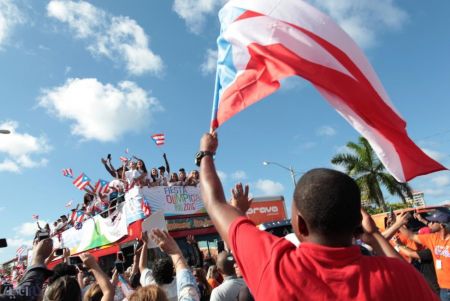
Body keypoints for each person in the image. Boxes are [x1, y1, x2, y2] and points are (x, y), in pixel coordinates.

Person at [197, 132, 439, 301]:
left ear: (300, 224)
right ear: (357, 223)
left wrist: (206, 153)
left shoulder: (276, 267)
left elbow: (215, 203)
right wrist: (374, 236)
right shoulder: (399, 277)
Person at [133, 229, 200, 301]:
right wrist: (175, 252)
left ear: (154, 275)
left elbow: (142, 267)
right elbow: (188, 288)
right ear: (172, 271)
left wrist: (145, 243)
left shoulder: (150, 287)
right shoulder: (179, 284)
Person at [399, 211, 450, 300]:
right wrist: (398, 224)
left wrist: (398, 245)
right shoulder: (433, 238)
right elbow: (412, 236)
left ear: (442, 225)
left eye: (433, 222)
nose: (429, 223)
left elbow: (411, 253)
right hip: (444, 289)